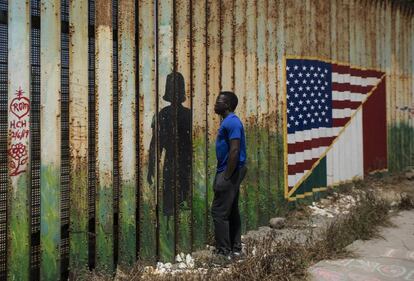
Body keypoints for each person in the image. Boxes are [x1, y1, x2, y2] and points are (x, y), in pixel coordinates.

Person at [147, 72, 192, 218]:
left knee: (170, 202)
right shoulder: (188, 114)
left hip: (172, 162)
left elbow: (155, 144)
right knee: (181, 199)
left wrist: (151, 168)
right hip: (185, 161)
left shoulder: (163, 114)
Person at [211, 91, 247, 260]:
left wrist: (226, 176)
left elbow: (235, 149)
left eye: (219, 101)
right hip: (232, 170)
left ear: (227, 105)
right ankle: (236, 249)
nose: (215, 103)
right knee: (231, 210)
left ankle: (223, 253)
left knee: (219, 212)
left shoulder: (232, 123)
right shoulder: (229, 122)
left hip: (230, 171)